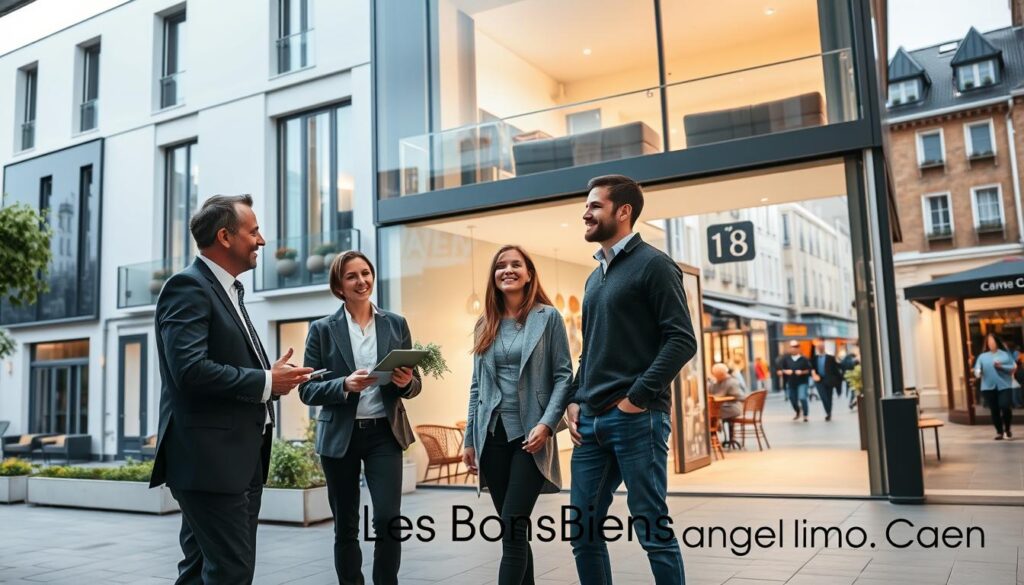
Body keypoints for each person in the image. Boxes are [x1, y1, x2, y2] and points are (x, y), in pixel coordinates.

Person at [151, 194, 313, 585]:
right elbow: (189, 370)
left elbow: (218, 366)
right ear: (225, 236)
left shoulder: (227, 289)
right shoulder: (187, 287)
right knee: (231, 571)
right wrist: (265, 381)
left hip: (231, 463)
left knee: (199, 569)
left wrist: (268, 376)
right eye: (253, 231)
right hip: (210, 465)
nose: (261, 240)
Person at [565, 174, 697, 585]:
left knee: (652, 529)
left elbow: (682, 340)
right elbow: (592, 349)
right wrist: (574, 396)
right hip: (590, 422)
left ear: (623, 212)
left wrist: (636, 398)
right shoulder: (594, 276)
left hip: (636, 418)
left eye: (595, 206)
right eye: (586, 206)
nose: (585, 213)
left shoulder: (655, 265)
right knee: (582, 530)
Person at [298, 251, 422, 585]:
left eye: (366, 273)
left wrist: (406, 382)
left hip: (385, 432)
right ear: (339, 285)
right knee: (346, 524)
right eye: (352, 276)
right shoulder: (322, 329)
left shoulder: (396, 323)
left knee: (387, 519)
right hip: (341, 437)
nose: (361, 281)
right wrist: (344, 385)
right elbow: (307, 391)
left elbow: (415, 384)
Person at [461, 245, 573, 585]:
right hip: (491, 437)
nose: (507, 270)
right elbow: (476, 387)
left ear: (528, 274)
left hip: (529, 437)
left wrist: (547, 424)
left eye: (516, 265)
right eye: (500, 266)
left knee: (512, 525)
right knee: (516, 531)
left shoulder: (548, 317)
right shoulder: (485, 322)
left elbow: (563, 376)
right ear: (493, 277)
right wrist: (470, 439)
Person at [972, 333, 1016, 440]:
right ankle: (999, 432)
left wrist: (1002, 366)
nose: (991, 343)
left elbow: (1012, 367)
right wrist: (978, 372)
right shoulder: (982, 356)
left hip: (1004, 386)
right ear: (986, 344)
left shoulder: (1005, 354)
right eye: (989, 342)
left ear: (997, 342)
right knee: (994, 410)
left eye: (993, 341)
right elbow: (977, 370)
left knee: (1005, 406)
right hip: (988, 387)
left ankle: (1007, 429)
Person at [779, 340, 812, 422]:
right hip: (791, 382)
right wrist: (785, 371)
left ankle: (805, 415)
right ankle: (798, 411)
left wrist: (802, 372)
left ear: (798, 349)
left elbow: (809, 370)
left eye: (795, 347)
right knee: (792, 398)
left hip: (802, 382)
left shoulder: (804, 359)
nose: (793, 349)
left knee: (802, 397)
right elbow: (781, 369)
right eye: (792, 347)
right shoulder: (786, 359)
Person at [811, 339, 843, 421]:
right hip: (819, 381)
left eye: (822, 346)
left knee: (829, 397)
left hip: (829, 380)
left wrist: (838, 381)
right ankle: (828, 411)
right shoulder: (814, 358)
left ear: (824, 347)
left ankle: (829, 413)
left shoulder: (830, 358)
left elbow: (836, 370)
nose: (820, 348)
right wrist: (814, 374)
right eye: (819, 347)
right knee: (823, 396)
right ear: (817, 348)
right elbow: (811, 368)